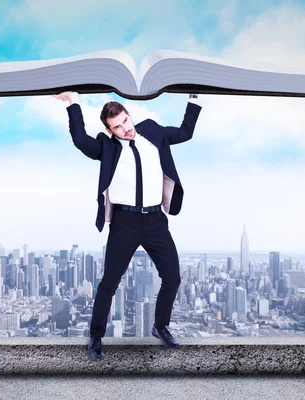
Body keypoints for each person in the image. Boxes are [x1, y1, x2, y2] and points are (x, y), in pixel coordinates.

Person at [53, 91, 201, 360]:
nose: (125, 129)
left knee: (173, 277)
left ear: (130, 115)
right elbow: (79, 139)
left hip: (156, 220)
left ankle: (161, 326)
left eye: (125, 121)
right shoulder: (107, 148)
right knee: (109, 282)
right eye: (117, 127)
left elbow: (185, 132)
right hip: (125, 222)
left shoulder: (153, 133)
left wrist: (193, 96)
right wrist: (73, 103)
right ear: (109, 130)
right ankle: (96, 336)